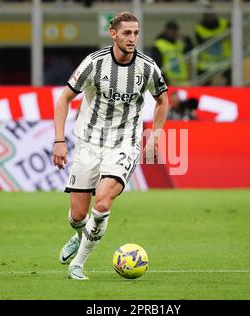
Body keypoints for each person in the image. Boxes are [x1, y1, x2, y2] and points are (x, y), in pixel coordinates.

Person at [52, 12, 168, 280]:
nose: (133, 38)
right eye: (127, 33)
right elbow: (64, 99)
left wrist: (157, 134)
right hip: (89, 142)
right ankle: (79, 235)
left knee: (102, 203)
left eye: (136, 33)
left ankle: (78, 265)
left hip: (124, 143)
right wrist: (59, 140)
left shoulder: (148, 67)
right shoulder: (94, 63)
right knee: (77, 214)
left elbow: (163, 101)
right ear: (113, 33)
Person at [151, 20, 193, 86]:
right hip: (168, 81)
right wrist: (163, 79)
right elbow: (157, 65)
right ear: (166, 31)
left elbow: (190, 51)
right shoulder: (159, 44)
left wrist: (187, 39)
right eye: (171, 31)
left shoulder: (179, 44)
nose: (173, 33)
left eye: (175, 31)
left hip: (182, 81)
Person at [194, 12, 231, 85]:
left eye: (211, 15)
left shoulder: (225, 24)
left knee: (230, 81)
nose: (210, 17)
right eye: (207, 15)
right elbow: (200, 42)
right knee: (203, 84)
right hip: (206, 63)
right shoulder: (199, 28)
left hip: (223, 61)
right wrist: (217, 39)